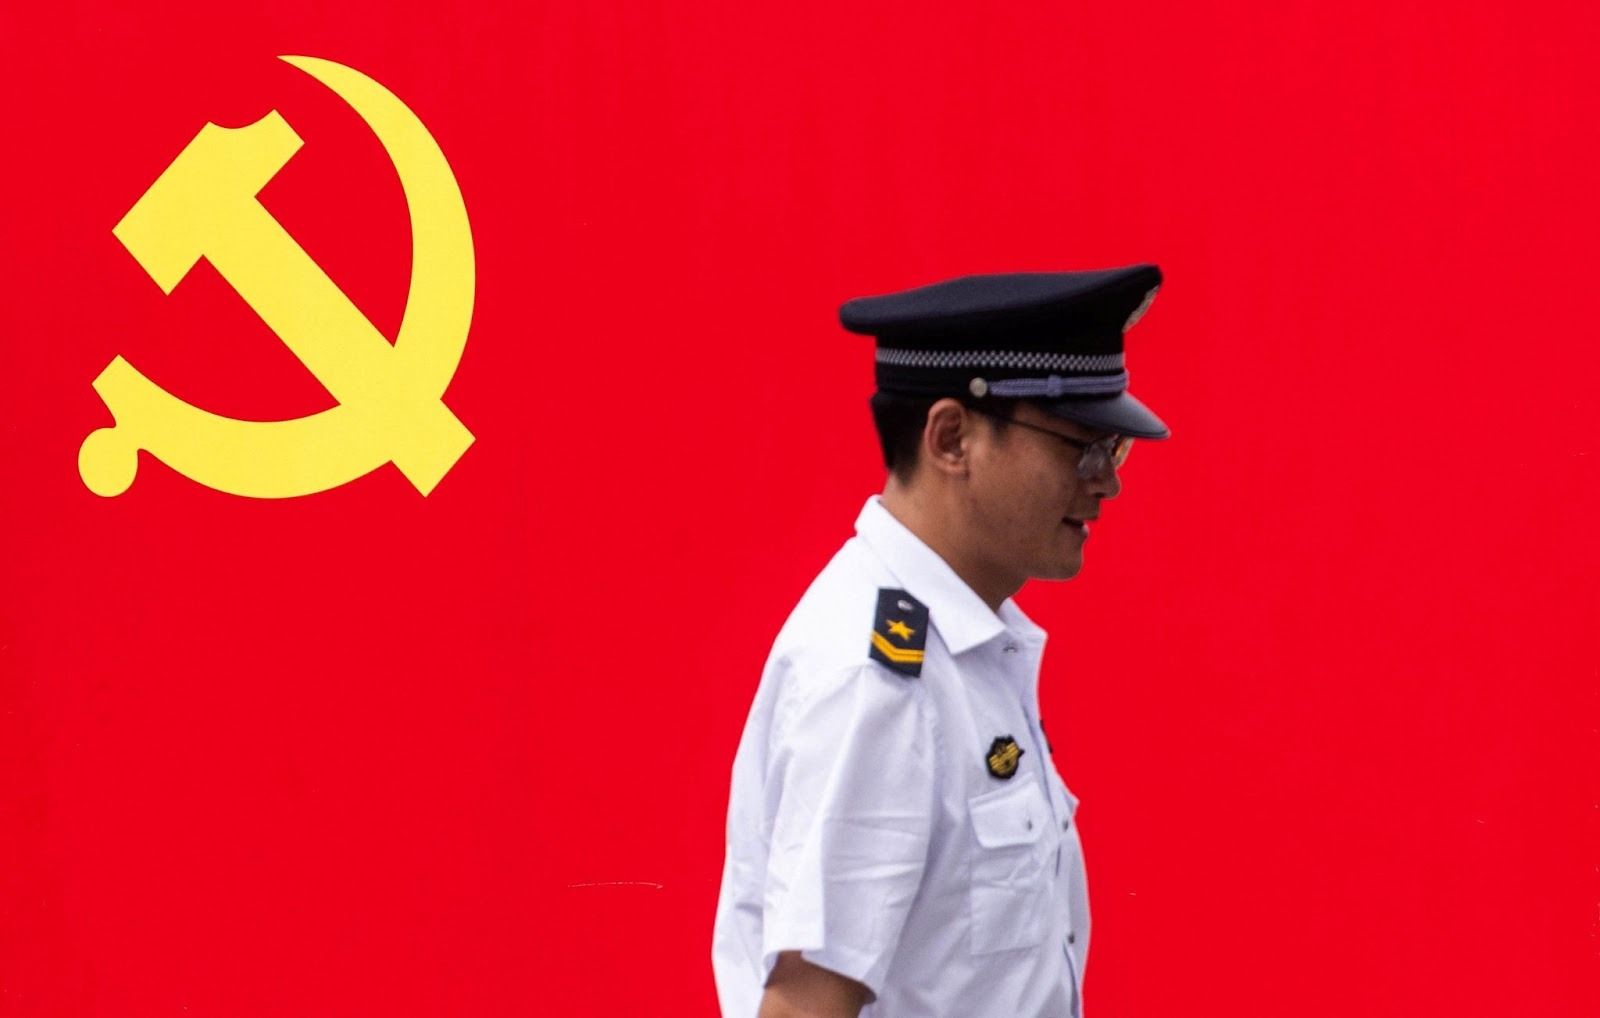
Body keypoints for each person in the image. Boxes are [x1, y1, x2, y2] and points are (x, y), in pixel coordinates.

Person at [711, 266, 1171, 1018]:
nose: (1105, 483)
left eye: (1112, 451)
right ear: (951, 437)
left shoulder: (964, 650)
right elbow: (803, 1006)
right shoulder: (879, 681)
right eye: (1079, 447)